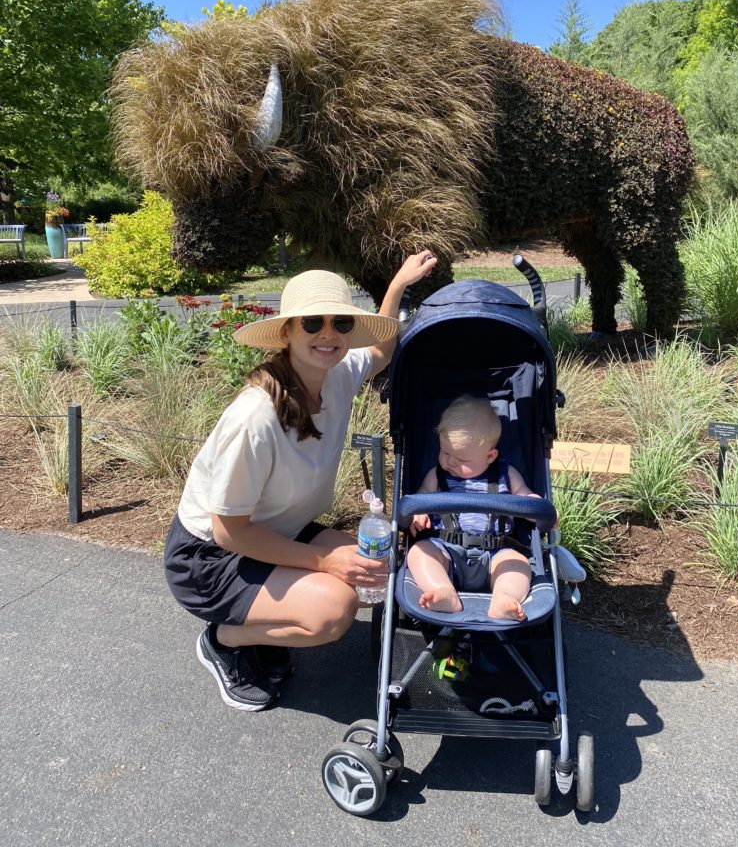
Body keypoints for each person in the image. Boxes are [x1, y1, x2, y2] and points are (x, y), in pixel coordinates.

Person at [164, 254, 436, 711]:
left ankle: (263, 623)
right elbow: (230, 530)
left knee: (373, 566)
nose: (328, 334)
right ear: (287, 332)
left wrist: (397, 285)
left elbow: (381, 350)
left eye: (341, 323)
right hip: (211, 558)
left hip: (277, 530)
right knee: (333, 611)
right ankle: (225, 639)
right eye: (312, 322)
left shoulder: (338, 374)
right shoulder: (256, 417)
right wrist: (324, 564)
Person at [407, 395, 540, 621]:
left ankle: (504, 598)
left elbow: (525, 496)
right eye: (445, 452)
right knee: (419, 552)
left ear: (490, 456)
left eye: (460, 459)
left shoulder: (506, 475)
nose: (449, 462)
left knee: (518, 563)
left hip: (496, 552)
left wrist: (538, 506)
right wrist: (417, 511)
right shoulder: (437, 476)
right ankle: (443, 591)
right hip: (446, 550)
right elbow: (420, 497)